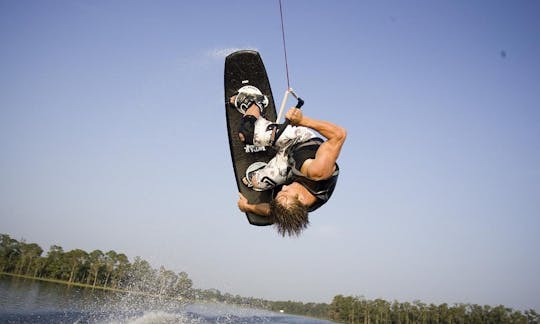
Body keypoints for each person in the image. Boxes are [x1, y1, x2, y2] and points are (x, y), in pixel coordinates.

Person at [231, 86, 347, 236]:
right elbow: (339, 135)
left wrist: (247, 207)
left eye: (280, 194)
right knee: (246, 134)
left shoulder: (291, 206)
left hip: (289, 164)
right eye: (285, 193)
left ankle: (269, 142)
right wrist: (303, 121)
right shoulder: (318, 171)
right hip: (297, 141)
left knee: (255, 182)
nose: (283, 188)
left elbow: (271, 211)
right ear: (300, 198)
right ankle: (256, 102)